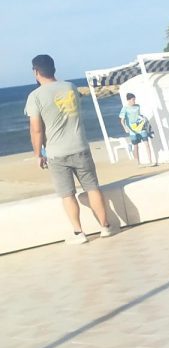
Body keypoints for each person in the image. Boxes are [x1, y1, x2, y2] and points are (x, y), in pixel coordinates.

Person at [25, 54, 118, 244]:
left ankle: (78, 232)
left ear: (36, 72)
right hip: (80, 146)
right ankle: (105, 226)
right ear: (54, 69)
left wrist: (37, 154)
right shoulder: (71, 87)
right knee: (92, 188)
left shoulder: (35, 97)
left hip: (56, 153)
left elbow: (36, 129)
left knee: (67, 194)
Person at [117, 92, 156, 166]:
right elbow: (122, 120)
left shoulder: (138, 106)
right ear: (128, 100)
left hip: (141, 127)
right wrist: (125, 128)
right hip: (132, 129)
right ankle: (138, 163)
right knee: (136, 146)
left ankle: (150, 161)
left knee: (146, 143)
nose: (134, 101)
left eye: (134, 99)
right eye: (132, 100)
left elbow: (138, 116)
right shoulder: (125, 108)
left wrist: (144, 120)